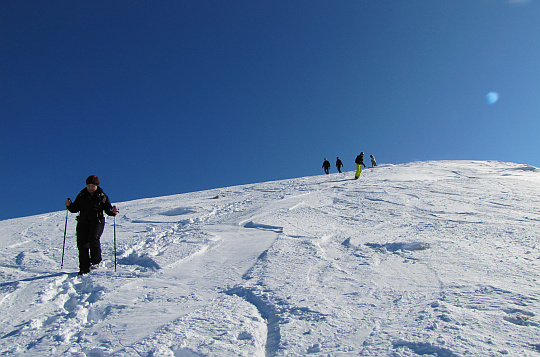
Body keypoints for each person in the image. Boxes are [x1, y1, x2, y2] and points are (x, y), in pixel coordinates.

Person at [65, 175, 118, 275]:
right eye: (89, 185)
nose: (90, 187)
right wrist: (69, 205)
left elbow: (108, 209)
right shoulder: (82, 195)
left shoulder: (102, 196)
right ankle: (84, 267)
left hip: (97, 221)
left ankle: (95, 261)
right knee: (82, 243)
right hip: (83, 222)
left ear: (96, 186)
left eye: (93, 185)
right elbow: (75, 208)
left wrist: (113, 212)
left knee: (93, 238)